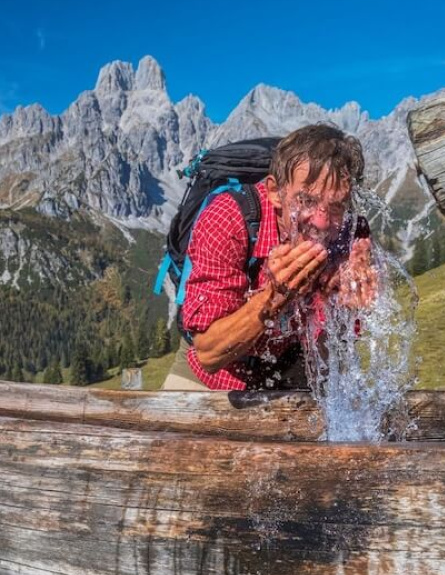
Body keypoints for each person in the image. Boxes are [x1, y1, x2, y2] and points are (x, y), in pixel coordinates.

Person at [161, 124, 378, 391]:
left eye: (336, 206)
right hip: (212, 375)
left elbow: (328, 354)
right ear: (276, 192)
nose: (321, 222)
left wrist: (348, 309)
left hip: (290, 367)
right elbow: (208, 354)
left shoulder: (350, 233)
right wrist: (274, 297)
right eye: (306, 201)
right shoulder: (228, 218)